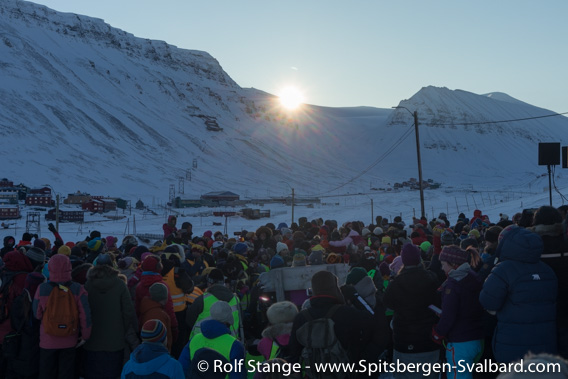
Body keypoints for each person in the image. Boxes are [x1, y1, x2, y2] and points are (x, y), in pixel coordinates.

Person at [480, 225, 558, 363]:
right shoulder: (547, 270)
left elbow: (487, 301)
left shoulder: (503, 269)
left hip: (512, 343)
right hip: (545, 343)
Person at [288, 271, 382, 375]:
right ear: (335, 288)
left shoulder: (301, 318)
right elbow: (374, 320)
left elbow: (294, 352)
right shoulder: (347, 313)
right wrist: (355, 296)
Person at [383, 243, 441, 378]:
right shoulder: (431, 278)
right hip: (428, 340)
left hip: (404, 341)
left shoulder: (396, 283)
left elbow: (387, 303)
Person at [33, 254, 92, 379]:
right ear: (69, 268)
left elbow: (37, 314)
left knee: (46, 373)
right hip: (69, 339)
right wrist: (85, 336)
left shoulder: (42, 289)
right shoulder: (78, 289)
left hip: (47, 340)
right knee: (66, 373)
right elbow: (85, 315)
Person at [433, 246, 484, 379]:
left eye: (443, 264)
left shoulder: (454, 283)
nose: (442, 268)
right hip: (476, 337)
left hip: (460, 341)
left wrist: (438, 332)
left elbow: (449, 316)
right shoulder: (472, 276)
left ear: (454, 264)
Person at [83, 253, 136, 378]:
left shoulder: (88, 285)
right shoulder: (120, 284)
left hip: (92, 340)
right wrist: (120, 328)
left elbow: (84, 310)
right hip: (115, 342)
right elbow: (128, 311)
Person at [179, 301, 246, 378]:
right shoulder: (234, 345)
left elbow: (182, 368)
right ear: (229, 319)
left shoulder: (195, 339)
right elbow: (237, 375)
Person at [186, 268, 241, 340]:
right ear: (223, 283)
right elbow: (240, 321)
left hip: (202, 343)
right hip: (229, 344)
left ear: (209, 283)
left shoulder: (202, 300)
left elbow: (189, 320)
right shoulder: (236, 300)